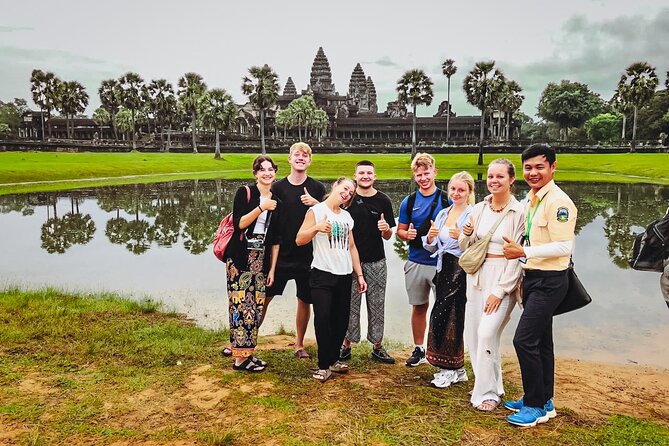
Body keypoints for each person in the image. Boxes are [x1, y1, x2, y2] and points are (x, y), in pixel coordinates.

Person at [502, 144, 577, 427]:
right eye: (528, 167)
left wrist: (524, 252)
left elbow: (564, 245)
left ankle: (534, 406)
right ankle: (544, 400)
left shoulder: (559, 202)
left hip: (550, 281)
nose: (533, 173)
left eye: (539, 167)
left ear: (553, 167)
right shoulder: (532, 199)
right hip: (533, 277)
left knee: (523, 339)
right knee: (542, 341)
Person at [458, 159, 525, 412]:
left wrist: (500, 291)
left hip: (503, 277)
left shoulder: (519, 212)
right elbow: (465, 246)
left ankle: (487, 393)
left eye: (500, 176)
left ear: (511, 180)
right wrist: (466, 233)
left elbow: (517, 255)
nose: (494, 181)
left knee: (487, 332)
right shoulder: (478, 208)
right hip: (476, 275)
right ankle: (491, 385)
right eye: (490, 176)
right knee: (475, 335)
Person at [296, 177, 367, 382]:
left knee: (340, 319)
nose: (347, 193)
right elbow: (299, 239)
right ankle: (323, 365)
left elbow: (351, 247)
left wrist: (359, 275)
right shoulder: (316, 211)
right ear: (335, 186)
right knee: (323, 318)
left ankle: (334, 360)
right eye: (345, 188)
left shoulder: (346, 217)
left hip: (344, 275)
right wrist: (317, 228)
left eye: (351, 193)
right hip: (321, 274)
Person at [265, 142, 326, 359]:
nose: (301, 158)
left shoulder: (317, 188)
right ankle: (248, 340)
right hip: (280, 254)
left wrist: (315, 203)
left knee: (304, 299)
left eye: (305, 155)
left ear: (310, 161)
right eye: (296, 155)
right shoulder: (277, 188)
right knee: (265, 296)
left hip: (307, 256)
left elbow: (329, 217)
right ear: (289, 159)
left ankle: (299, 344)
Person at [224, 155, 282, 372]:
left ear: (275, 173)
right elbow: (239, 224)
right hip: (240, 257)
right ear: (256, 173)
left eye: (271, 169)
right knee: (240, 306)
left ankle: (248, 353)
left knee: (255, 307)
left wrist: (273, 269)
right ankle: (240, 359)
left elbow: (276, 239)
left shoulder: (277, 201)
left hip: (261, 259)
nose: (267, 173)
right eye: (262, 169)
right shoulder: (245, 193)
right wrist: (261, 207)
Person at [340, 160, 396, 364]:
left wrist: (386, 229)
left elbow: (389, 236)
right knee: (350, 304)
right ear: (355, 176)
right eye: (361, 173)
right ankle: (346, 344)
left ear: (375, 176)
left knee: (377, 304)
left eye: (369, 173)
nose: (365, 176)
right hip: (349, 261)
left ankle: (377, 346)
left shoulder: (383, 200)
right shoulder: (347, 199)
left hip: (376, 261)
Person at [422, 171, 475, 388]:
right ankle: (456, 368)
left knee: (453, 315)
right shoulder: (444, 213)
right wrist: (431, 236)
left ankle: (450, 368)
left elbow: (478, 245)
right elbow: (431, 245)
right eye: (453, 189)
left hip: (460, 270)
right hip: (443, 269)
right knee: (440, 314)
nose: (456, 193)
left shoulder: (473, 215)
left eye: (461, 189)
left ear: (470, 191)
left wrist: (462, 237)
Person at [397, 153, 449, 366]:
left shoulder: (448, 199)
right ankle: (419, 348)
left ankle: (442, 350)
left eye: (426, 173)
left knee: (443, 307)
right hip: (417, 260)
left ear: (434, 172)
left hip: (442, 262)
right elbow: (400, 229)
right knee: (419, 306)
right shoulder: (409, 202)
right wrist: (405, 235)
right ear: (414, 176)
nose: (423, 178)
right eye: (419, 175)